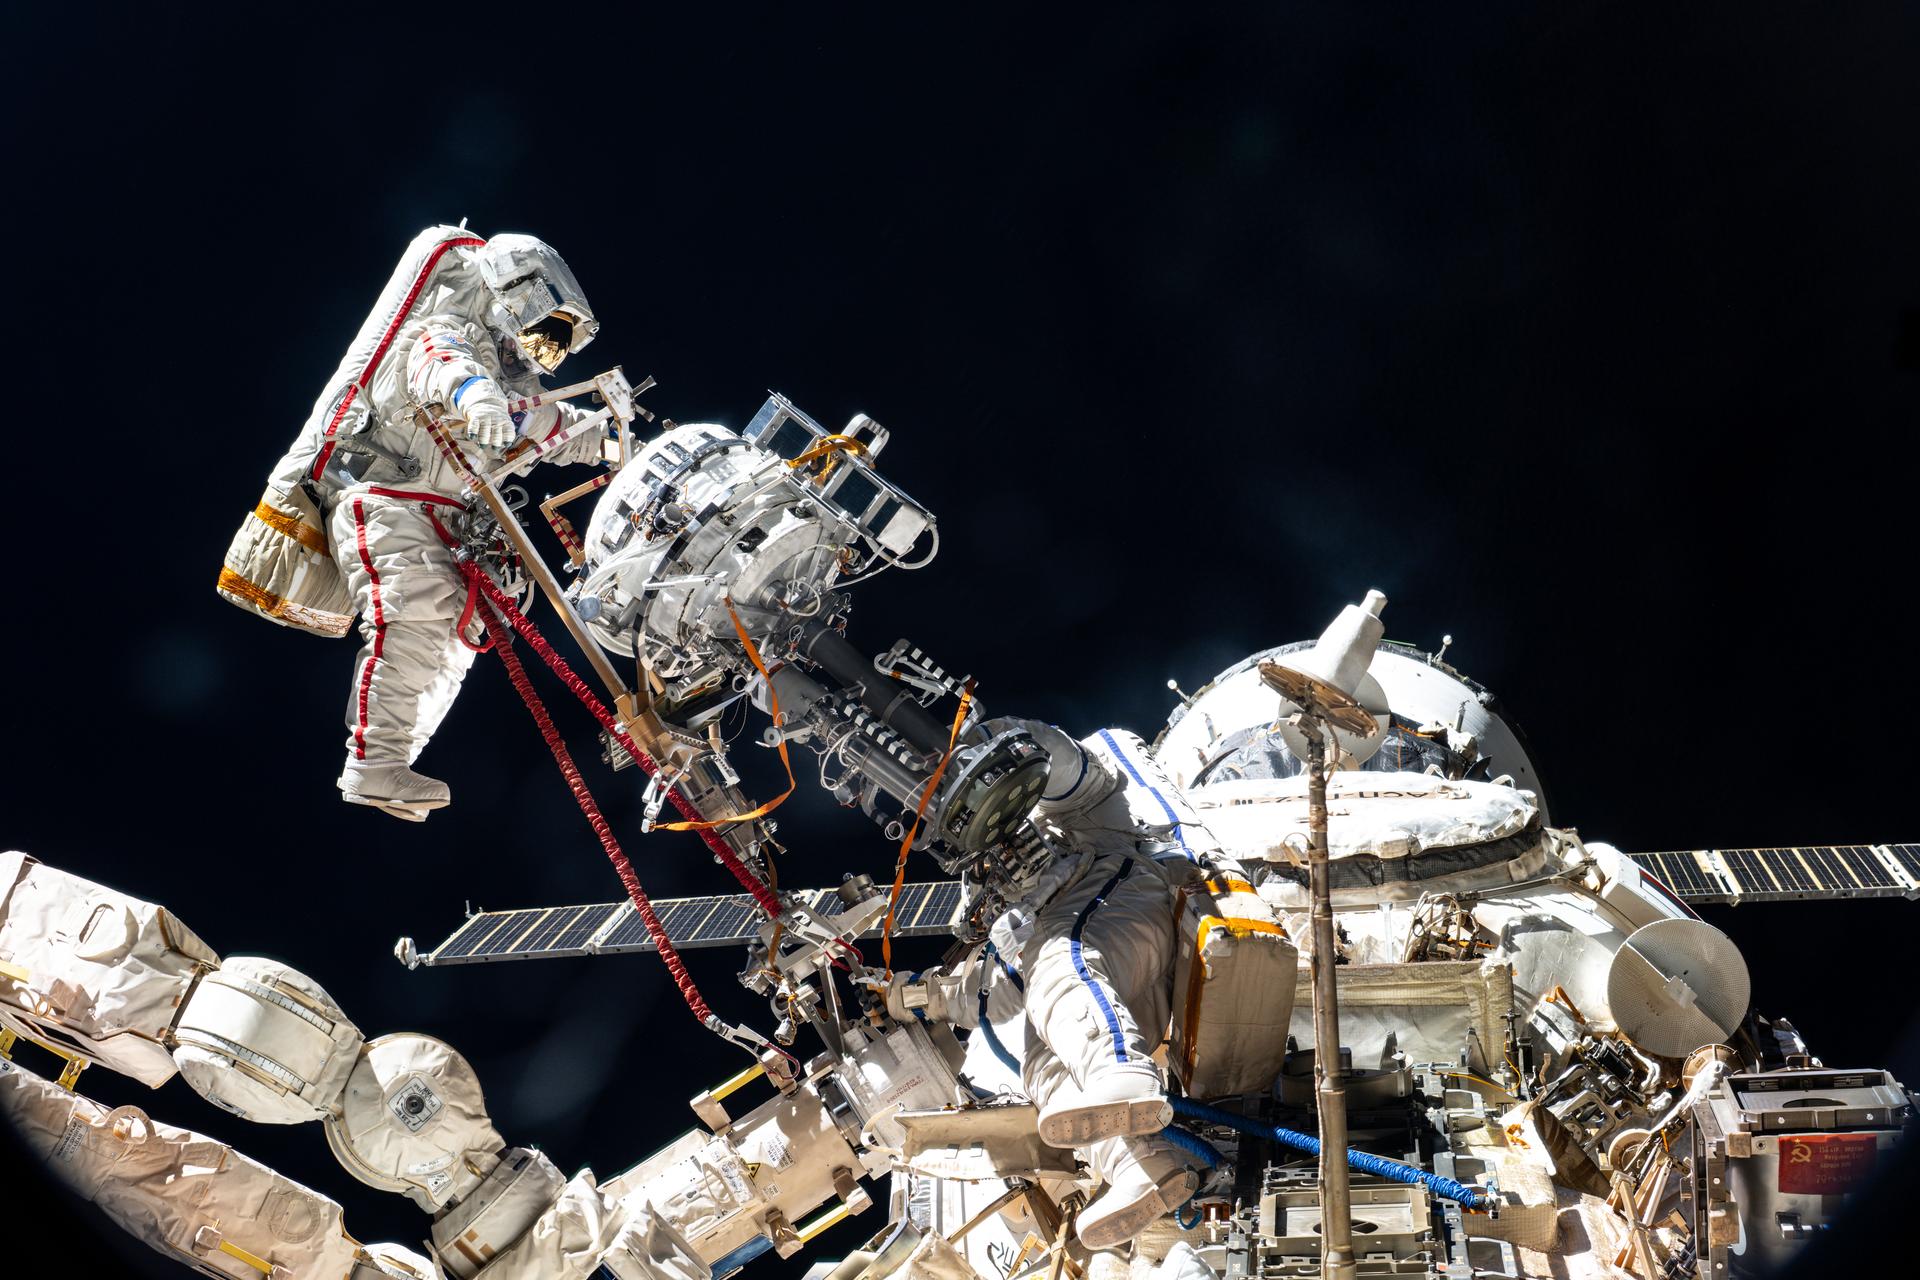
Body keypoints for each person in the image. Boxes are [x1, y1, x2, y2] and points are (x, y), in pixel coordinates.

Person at [221, 226, 607, 820]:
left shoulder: (516, 389)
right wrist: (476, 397)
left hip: (447, 522)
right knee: (411, 615)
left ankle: (396, 760)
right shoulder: (446, 332)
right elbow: (438, 365)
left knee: (455, 642)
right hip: (385, 500)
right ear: (511, 297)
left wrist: (612, 440)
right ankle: (372, 765)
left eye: (555, 346)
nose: (540, 351)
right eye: (540, 330)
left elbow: (555, 429)